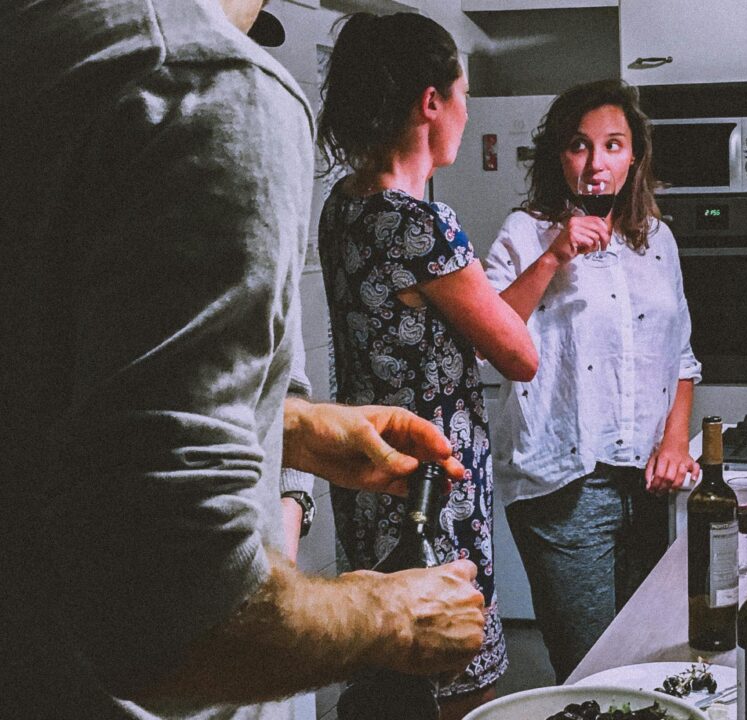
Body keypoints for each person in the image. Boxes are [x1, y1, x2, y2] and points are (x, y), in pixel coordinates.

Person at [0, 0, 486, 718]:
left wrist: (289, 427)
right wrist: (394, 614)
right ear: (432, 102)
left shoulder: (37, 48)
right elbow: (178, 619)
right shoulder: (207, 86)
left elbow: (59, 381)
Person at [315, 12, 538, 718]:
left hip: (368, 472)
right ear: (430, 102)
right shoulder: (422, 224)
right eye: (463, 95)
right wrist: (554, 259)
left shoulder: (343, 206)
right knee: (457, 675)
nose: (468, 113)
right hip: (432, 485)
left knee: (392, 666)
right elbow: (517, 353)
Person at [483, 79, 702, 682]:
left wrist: (675, 441)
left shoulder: (656, 239)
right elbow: (492, 340)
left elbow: (680, 353)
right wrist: (554, 256)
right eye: (580, 146)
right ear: (561, 157)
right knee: (591, 669)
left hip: (648, 485)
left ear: (634, 156)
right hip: (563, 483)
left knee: (647, 660)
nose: (596, 163)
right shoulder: (525, 232)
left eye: (612, 145)